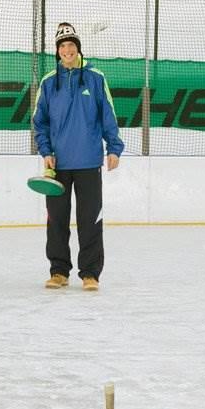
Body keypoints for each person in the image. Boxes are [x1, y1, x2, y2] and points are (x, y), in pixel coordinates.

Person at [32, 22, 124, 291]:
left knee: (90, 220)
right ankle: (59, 271)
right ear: (58, 51)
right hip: (57, 165)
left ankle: (90, 274)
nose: (67, 50)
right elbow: (40, 122)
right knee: (56, 221)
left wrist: (114, 148)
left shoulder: (96, 78)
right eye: (63, 46)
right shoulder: (49, 82)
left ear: (78, 48)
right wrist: (46, 152)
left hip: (88, 161)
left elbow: (108, 115)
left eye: (71, 45)